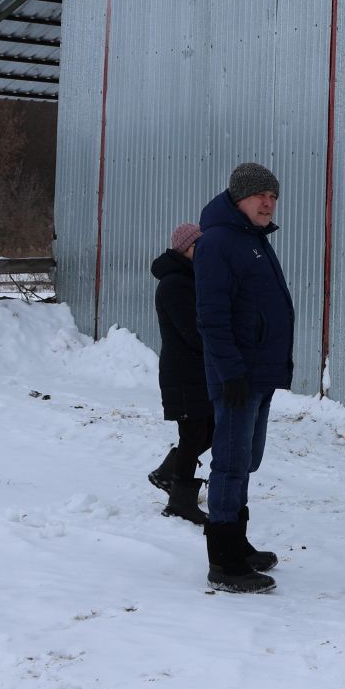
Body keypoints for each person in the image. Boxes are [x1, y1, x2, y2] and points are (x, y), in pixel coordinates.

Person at [193, 162, 292, 594]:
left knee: (246, 461)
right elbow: (212, 316)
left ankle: (239, 542)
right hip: (237, 376)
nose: (268, 202)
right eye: (259, 196)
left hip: (258, 373)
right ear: (238, 199)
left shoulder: (251, 239)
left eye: (272, 195)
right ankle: (224, 562)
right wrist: (230, 371)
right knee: (230, 465)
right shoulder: (218, 242)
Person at [147, 222, 209, 525]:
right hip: (183, 373)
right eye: (201, 246)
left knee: (208, 429)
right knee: (193, 432)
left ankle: (169, 473)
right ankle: (180, 501)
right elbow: (192, 332)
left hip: (196, 371)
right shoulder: (174, 283)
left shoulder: (190, 278)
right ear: (186, 248)